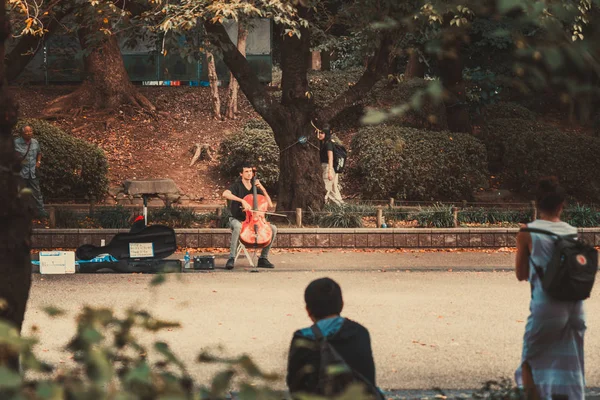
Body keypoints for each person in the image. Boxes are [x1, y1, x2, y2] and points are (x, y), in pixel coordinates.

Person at [514, 177, 585, 400]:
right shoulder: (572, 232)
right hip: (574, 308)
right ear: (561, 205)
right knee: (570, 365)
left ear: (537, 204)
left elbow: (521, 274)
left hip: (545, 307)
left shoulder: (527, 232)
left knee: (530, 361)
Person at [286, 277, 377, 397]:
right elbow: (369, 381)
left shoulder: (303, 338)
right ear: (342, 304)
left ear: (308, 310)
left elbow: (294, 385)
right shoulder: (360, 332)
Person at [221, 163, 277, 270]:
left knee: (273, 229)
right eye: (246, 171)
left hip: (255, 220)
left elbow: (269, 204)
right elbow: (225, 194)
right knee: (237, 226)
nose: (249, 173)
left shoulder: (256, 187)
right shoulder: (237, 186)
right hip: (237, 219)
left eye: (251, 171)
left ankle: (263, 258)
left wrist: (263, 189)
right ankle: (231, 258)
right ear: (241, 174)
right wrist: (242, 200)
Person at [14, 125, 46, 218]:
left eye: (30, 131)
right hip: (21, 173)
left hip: (32, 172)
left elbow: (39, 152)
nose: (29, 133)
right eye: (26, 132)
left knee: (37, 193)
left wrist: (38, 162)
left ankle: (41, 212)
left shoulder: (35, 142)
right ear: (22, 134)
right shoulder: (16, 143)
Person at [316, 125, 344, 205]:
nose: (320, 135)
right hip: (328, 167)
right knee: (333, 190)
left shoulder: (328, 144)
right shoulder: (323, 143)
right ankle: (342, 208)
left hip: (329, 167)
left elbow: (330, 158)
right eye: (319, 133)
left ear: (326, 134)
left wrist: (330, 171)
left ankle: (321, 207)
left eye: (322, 133)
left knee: (325, 189)